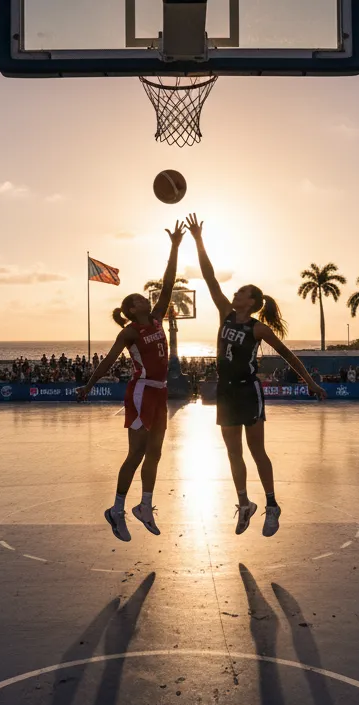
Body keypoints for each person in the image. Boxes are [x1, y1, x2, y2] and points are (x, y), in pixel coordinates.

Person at [188, 213, 325, 537]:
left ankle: (272, 505)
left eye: (240, 293)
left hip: (249, 390)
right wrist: (198, 240)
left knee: (256, 450)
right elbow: (209, 278)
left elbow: (288, 355)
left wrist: (310, 382)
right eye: (235, 292)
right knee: (233, 452)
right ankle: (244, 503)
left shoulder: (257, 327)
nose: (234, 295)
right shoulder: (225, 313)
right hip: (225, 390)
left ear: (251, 301)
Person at [76, 220, 184, 542]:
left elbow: (167, 286)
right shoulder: (130, 332)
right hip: (140, 393)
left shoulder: (155, 318)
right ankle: (116, 510)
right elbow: (109, 361)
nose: (146, 300)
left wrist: (175, 246)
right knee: (136, 454)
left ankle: (145, 506)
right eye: (139, 299)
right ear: (130, 308)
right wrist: (89, 385)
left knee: (156, 454)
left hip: (160, 393)